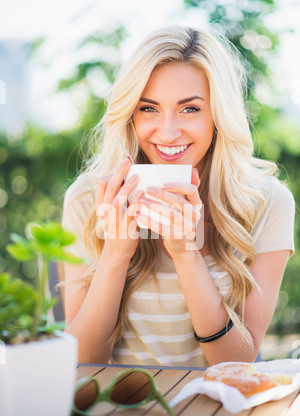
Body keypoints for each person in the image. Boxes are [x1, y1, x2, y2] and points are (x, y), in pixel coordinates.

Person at [62, 26, 295, 367]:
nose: (168, 132)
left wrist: (186, 254)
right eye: (148, 109)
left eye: (190, 109)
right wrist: (116, 252)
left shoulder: (266, 203)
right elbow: (81, 362)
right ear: (130, 114)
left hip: (218, 414)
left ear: (219, 113)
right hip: (120, 411)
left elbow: (238, 362)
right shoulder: (88, 199)